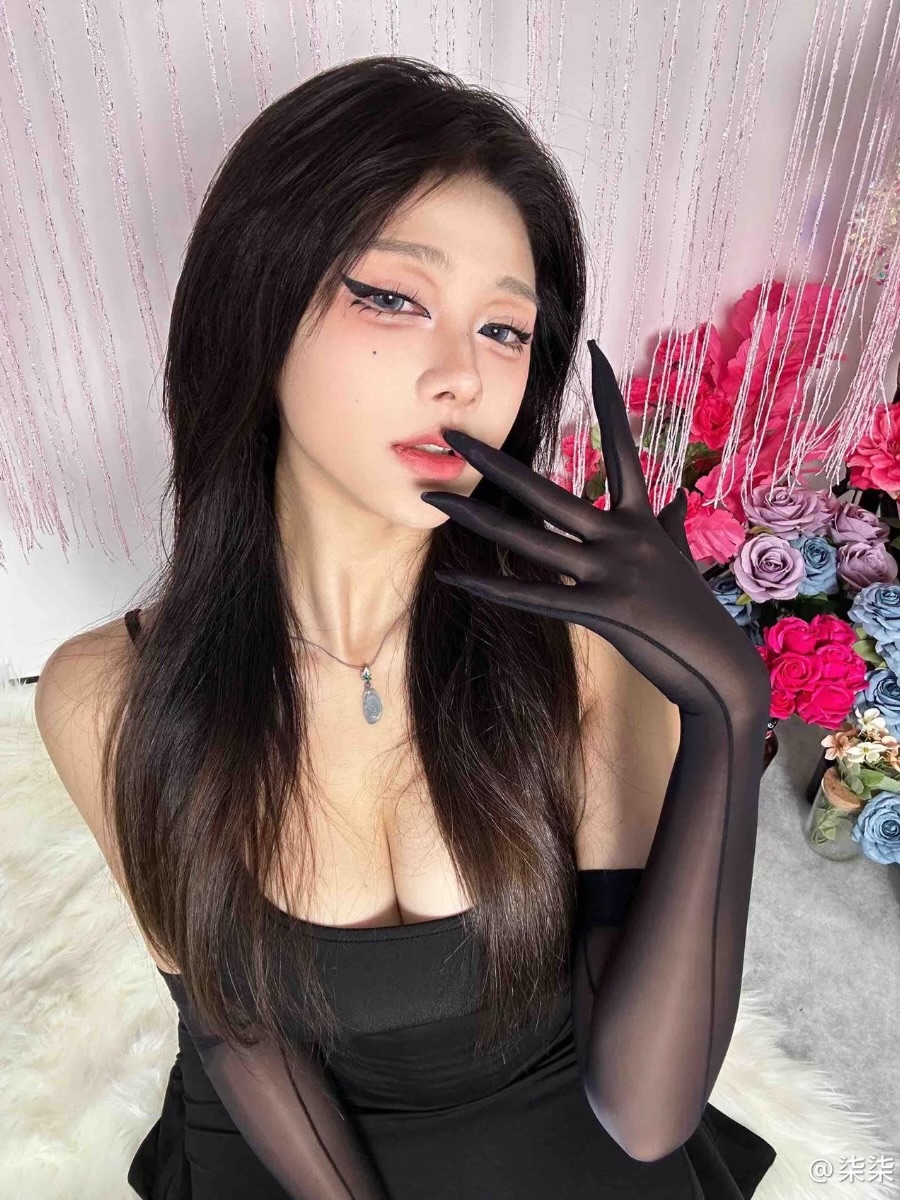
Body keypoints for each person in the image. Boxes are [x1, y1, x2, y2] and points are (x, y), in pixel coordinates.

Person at [34, 55, 777, 1198]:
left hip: (556, 1104)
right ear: (257, 302)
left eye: (505, 330)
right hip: (286, 1137)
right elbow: (237, 1033)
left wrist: (726, 708)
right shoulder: (108, 693)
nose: (460, 376)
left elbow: (645, 1113)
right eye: (392, 298)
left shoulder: (583, 646)